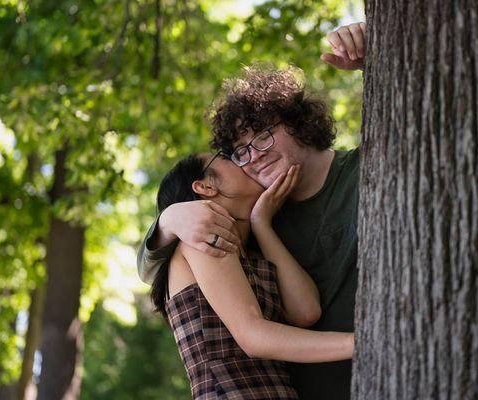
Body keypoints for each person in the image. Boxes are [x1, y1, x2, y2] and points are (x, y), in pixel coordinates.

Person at [139, 23, 366, 400]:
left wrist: (262, 223)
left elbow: (305, 311)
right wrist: (168, 219)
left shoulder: (264, 220)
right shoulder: (212, 233)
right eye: (238, 152)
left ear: (298, 123)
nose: (252, 157)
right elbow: (156, 264)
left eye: (262, 135)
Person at [151, 151, 354, 399]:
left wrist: (261, 224)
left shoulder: (248, 253)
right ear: (205, 186)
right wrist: (359, 342)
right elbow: (252, 336)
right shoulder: (203, 242)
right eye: (226, 157)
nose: (243, 162)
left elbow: (306, 310)